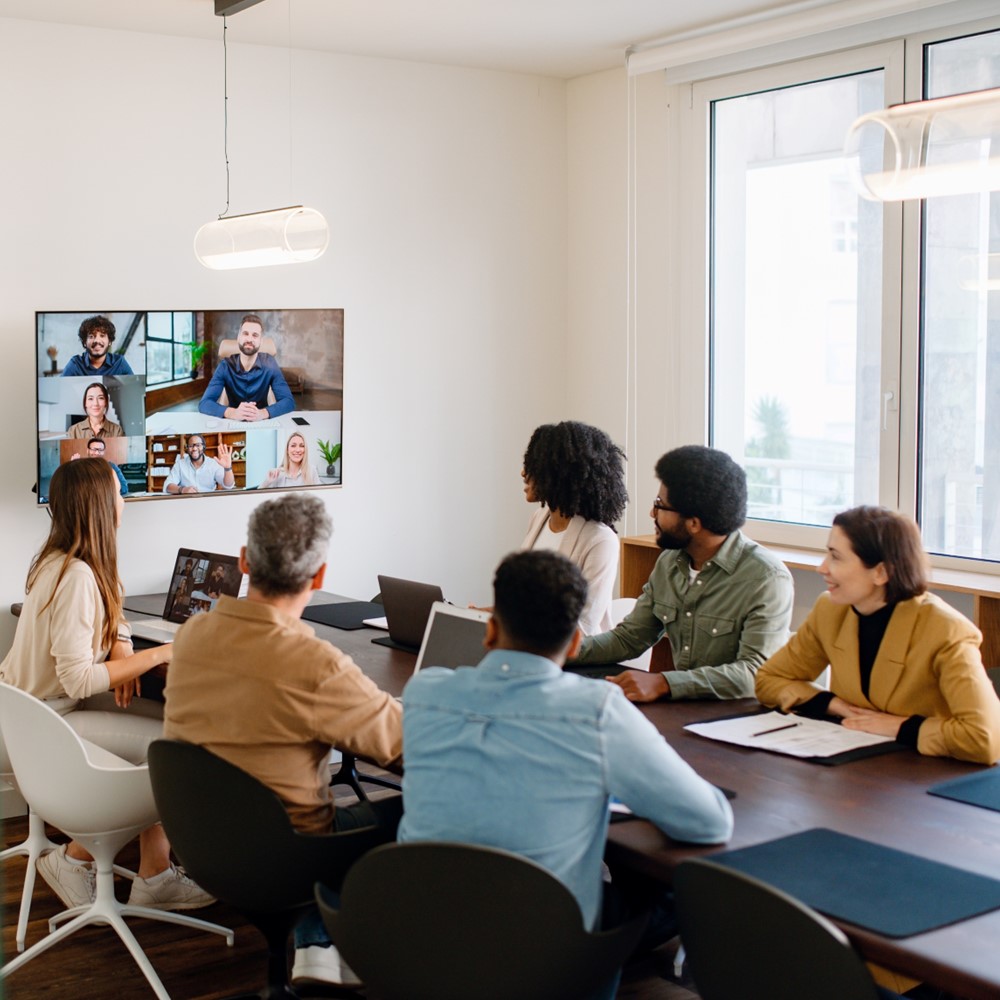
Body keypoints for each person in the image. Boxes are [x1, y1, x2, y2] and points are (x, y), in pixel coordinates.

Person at [399, 550, 733, 999]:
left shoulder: (424, 690)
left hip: (420, 930)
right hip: (544, 948)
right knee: (675, 895)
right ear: (576, 643)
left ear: (491, 628)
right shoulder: (597, 711)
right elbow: (708, 822)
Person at [164, 492, 403, 988]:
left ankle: (317, 941)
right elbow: (404, 743)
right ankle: (349, 943)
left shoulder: (190, 637)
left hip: (200, 845)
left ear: (244, 561)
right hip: (285, 857)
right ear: (319, 577)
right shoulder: (314, 665)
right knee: (405, 807)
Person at [0, 458, 212, 911]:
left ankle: (155, 873)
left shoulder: (68, 560)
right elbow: (77, 679)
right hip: (48, 720)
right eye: (118, 493)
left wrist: (122, 647)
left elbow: (111, 614)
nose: (124, 501)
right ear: (100, 504)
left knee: (171, 726)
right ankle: (75, 859)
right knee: (172, 756)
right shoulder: (77, 576)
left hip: (31, 713)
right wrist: (163, 653)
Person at [756, 506, 1000, 765]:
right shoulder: (830, 609)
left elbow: (986, 739)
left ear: (881, 572)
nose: (822, 568)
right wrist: (833, 704)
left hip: (924, 774)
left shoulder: (946, 630)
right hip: (855, 763)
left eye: (836, 557)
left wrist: (901, 727)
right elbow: (770, 680)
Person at [573, 445, 793, 701]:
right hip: (685, 711)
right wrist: (559, 652)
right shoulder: (669, 562)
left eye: (660, 506)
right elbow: (629, 639)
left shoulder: (766, 578)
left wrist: (665, 682)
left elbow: (754, 674)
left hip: (739, 719)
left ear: (694, 523)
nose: (651, 513)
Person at [519, 421, 627, 635]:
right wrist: (488, 614)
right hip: (527, 645)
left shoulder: (600, 539)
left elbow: (583, 624)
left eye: (533, 465)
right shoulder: (539, 519)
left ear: (559, 473)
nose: (524, 472)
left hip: (575, 656)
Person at [198, 313, 294, 421]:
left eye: (255, 335)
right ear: (238, 338)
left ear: (260, 341)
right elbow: (204, 403)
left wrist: (263, 413)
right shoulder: (225, 366)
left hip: (261, 422)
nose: (249, 339)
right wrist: (232, 413)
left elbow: (288, 401)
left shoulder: (270, 363)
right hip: (234, 422)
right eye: (245, 333)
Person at [60, 315, 134, 377]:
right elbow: (59, 389)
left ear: (110, 341)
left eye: (102, 336)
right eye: (91, 336)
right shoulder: (75, 364)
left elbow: (134, 388)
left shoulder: (119, 362)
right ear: (84, 342)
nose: (97, 341)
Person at [163, 434, 235, 494]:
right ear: (187, 448)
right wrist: (182, 489)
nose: (194, 448)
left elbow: (228, 485)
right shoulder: (180, 464)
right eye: (191, 446)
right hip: (186, 503)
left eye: (198, 445)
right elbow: (167, 486)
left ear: (203, 447)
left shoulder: (213, 464)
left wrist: (228, 468)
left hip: (208, 503)